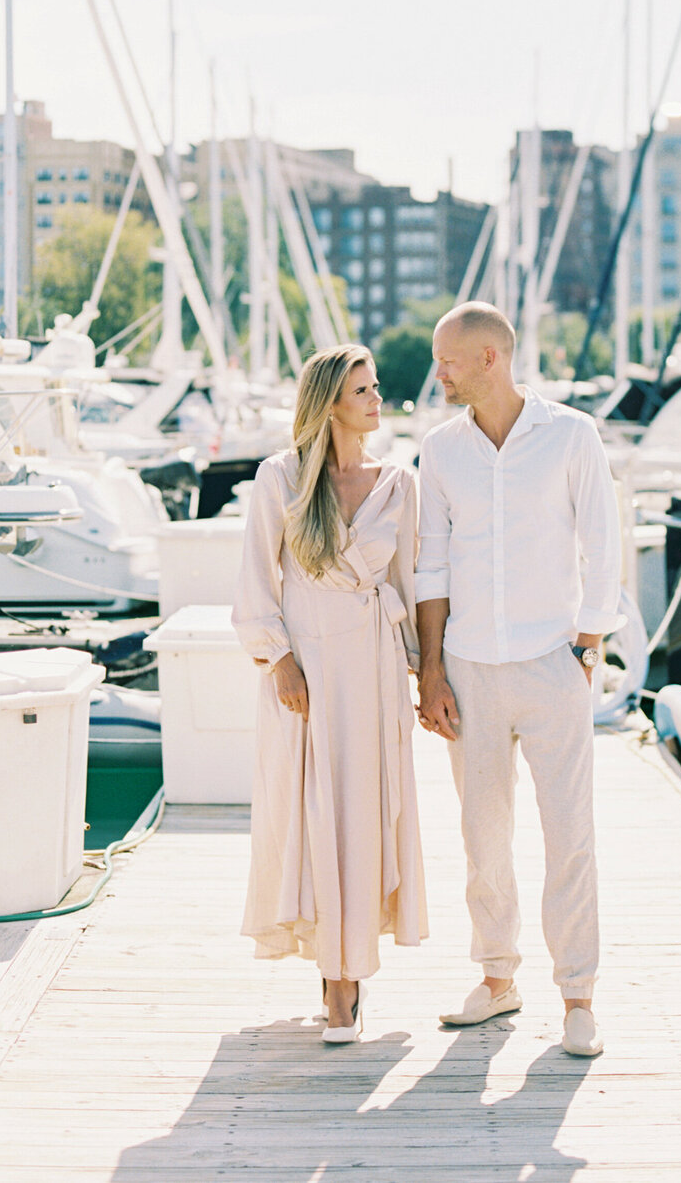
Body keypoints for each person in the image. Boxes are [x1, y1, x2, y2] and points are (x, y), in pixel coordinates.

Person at [414, 302, 622, 1057]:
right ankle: (497, 980)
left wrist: (589, 638)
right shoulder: (439, 450)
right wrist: (430, 666)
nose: (438, 371)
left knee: (570, 833)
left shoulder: (570, 435)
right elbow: (429, 563)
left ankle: (578, 997)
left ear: (489, 358)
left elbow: (604, 541)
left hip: (552, 663)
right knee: (482, 834)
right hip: (468, 666)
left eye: (448, 358)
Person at [233, 344, 426, 1043]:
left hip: (372, 670)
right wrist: (278, 659)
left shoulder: (398, 483)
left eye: (377, 387)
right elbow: (257, 581)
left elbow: (411, 583)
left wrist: (426, 671)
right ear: (328, 405)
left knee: (364, 815)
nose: (377, 400)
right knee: (313, 815)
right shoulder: (279, 479)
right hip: (306, 670)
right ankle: (334, 979)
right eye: (361, 391)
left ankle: (347, 981)